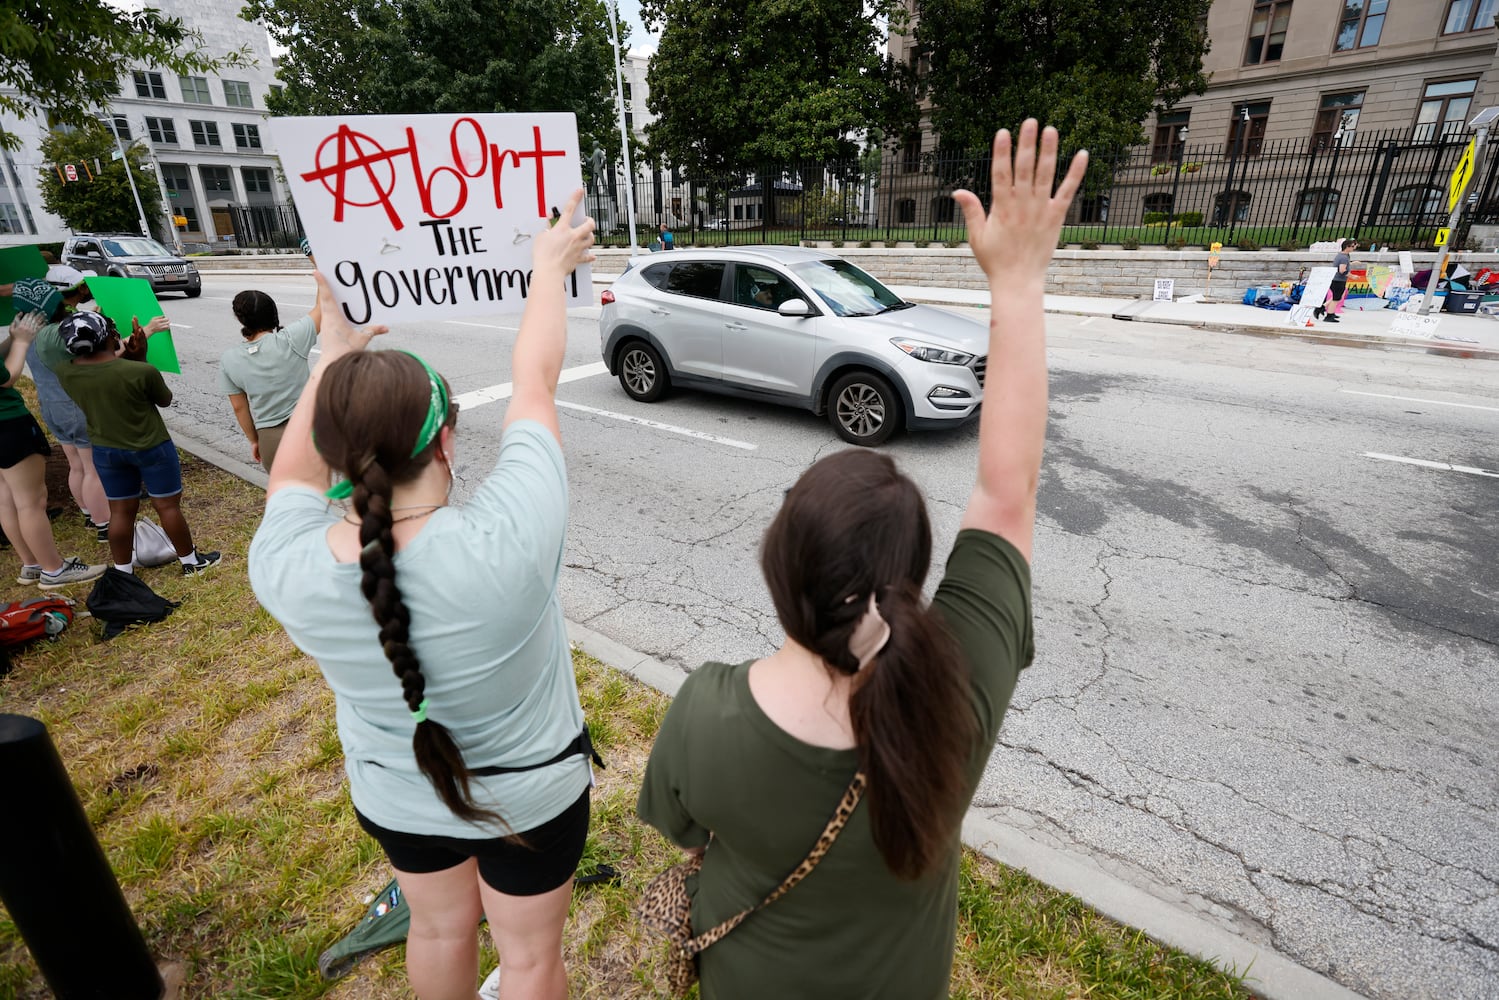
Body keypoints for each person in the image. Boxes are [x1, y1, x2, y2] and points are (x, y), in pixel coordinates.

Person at [636, 120, 1087, 1000]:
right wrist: (1019, 283)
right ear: (909, 580)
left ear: (781, 574)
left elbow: (687, 838)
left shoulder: (705, 711)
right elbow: (1007, 492)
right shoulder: (952, 693)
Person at [247, 189, 598, 1000]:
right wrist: (546, 271)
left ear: (334, 459)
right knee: (532, 958)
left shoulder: (287, 565)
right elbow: (535, 384)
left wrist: (331, 356)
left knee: (439, 928)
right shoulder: (506, 539)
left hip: (396, 792)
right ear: (444, 435)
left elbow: (289, 475)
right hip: (533, 790)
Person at [22, 296, 220, 577]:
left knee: (121, 512)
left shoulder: (66, 372)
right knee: (167, 506)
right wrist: (139, 357)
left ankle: (123, 570)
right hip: (152, 446)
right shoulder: (140, 371)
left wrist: (125, 351)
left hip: (106, 450)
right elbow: (164, 399)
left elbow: (102, 366)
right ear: (108, 339)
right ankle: (191, 561)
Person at [0, 282, 106, 589]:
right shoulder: (55, 336)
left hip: (30, 418)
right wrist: (20, 342)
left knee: (7, 499)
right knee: (31, 501)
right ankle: (54, 570)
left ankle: (31, 565)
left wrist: (13, 338)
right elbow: (6, 378)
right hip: (8, 424)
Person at [220, 290, 322, 471]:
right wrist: (318, 265)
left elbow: (239, 407)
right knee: (317, 491)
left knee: (285, 495)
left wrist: (254, 440)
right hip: (309, 430)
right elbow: (323, 307)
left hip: (270, 440)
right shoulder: (291, 339)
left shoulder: (229, 359)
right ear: (273, 313)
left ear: (240, 318)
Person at [1316, 238, 1358, 323]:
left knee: (1337, 296)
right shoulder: (1344, 258)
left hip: (1336, 279)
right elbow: (1342, 270)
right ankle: (1329, 316)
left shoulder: (1341, 256)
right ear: (1347, 247)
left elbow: (1342, 265)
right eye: (1352, 246)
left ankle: (1324, 309)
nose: (1354, 248)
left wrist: (1352, 263)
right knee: (1336, 299)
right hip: (1339, 280)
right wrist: (1352, 276)